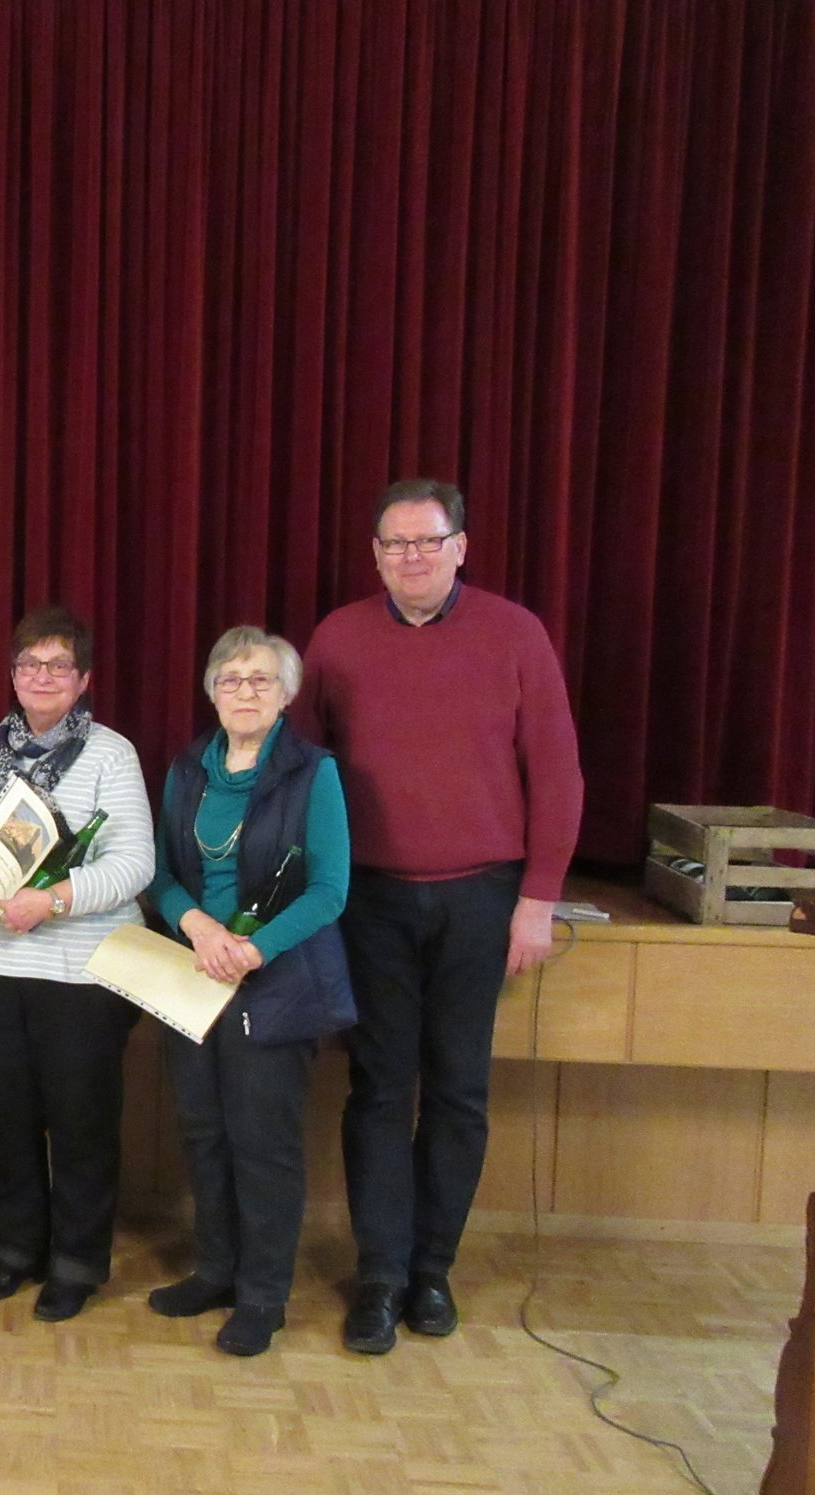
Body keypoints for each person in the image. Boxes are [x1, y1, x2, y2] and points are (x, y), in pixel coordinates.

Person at [297, 477, 583, 1354]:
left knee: (457, 1090)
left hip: (482, 898)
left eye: (427, 542)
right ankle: (378, 1276)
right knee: (379, 1090)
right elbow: (299, 770)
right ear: (374, 555)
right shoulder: (338, 639)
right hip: (373, 901)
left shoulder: (515, 633)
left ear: (461, 546)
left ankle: (433, 1272)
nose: (410, 558)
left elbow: (559, 774)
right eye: (394, 545)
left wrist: (537, 899)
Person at [149, 626, 351, 1356]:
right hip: (194, 973)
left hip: (278, 983)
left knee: (263, 1144)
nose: (244, 692)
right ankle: (216, 1270)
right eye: (231, 679)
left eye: (261, 680)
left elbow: (331, 890)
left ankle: (264, 1295)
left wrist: (254, 949)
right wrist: (199, 926)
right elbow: (161, 872)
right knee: (204, 1134)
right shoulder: (186, 769)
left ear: (287, 693)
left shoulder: (312, 772)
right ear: (211, 691)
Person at [0, 606, 153, 1323]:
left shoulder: (111, 754)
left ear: (83, 680)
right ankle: (16, 1249)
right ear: (12, 675)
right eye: (29, 665)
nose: (42, 677)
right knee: (4, 1118)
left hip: (81, 972)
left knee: (80, 1122)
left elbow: (135, 862)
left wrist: (56, 900)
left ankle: (77, 1261)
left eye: (58, 667)